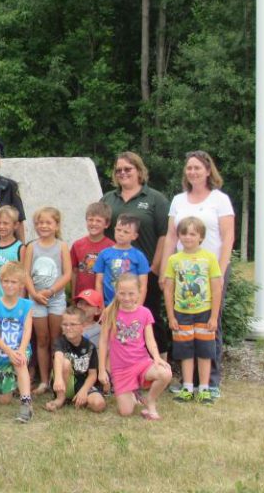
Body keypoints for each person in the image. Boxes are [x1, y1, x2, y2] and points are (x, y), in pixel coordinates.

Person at [160, 150, 234, 398]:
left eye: (198, 168)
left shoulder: (219, 199)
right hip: (182, 272)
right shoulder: (178, 200)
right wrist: (164, 270)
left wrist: (220, 273)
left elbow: (228, 237)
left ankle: (210, 382)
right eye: (189, 168)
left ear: (208, 171)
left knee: (210, 326)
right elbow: (171, 236)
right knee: (183, 327)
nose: (193, 172)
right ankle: (187, 382)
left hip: (210, 271)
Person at [100, 151, 170, 356]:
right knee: (120, 319)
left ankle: (160, 363)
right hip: (116, 275)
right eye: (118, 170)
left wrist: (155, 267)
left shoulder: (155, 199)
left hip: (145, 272)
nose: (123, 173)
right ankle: (124, 362)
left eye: (128, 169)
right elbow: (101, 232)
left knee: (149, 317)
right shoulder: (108, 199)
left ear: (139, 171)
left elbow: (165, 235)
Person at [164, 217, 223, 405]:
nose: (188, 237)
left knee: (205, 351)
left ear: (201, 237)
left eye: (192, 234)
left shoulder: (209, 258)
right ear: (179, 236)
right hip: (181, 313)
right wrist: (171, 315)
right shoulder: (174, 259)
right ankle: (188, 387)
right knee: (185, 351)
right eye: (184, 233)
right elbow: (168, 289)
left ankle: (204, 389)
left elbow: (216, 288)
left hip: (204, 312)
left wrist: (214, 316)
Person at [97, 274, 171, 419]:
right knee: (125, 412)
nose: (126, 298)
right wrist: (101, 370)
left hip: (141, 363)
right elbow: (103, 342)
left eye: (131, 293)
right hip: (121, 369)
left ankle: (150, 401)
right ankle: (132, 393)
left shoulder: (145, 313)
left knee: (165, 373)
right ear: (116, 292)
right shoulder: (109, 312)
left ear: (139, 293)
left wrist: (156, 358)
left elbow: (150, 340)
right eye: (122, 293)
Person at [24, 206, 72, 396]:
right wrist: (34, 293)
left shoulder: (61, 246)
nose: (44, 226)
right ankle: (44, 380)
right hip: (36, 300)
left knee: (56, 339)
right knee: (41, 339)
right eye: (40, 222)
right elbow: (25, 273)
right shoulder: (31, 247)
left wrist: (51, 291)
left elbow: (67, 274)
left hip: (56, 299)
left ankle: (57, 378)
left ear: (56, 225)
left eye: (48, 222)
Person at [0, 262, 34, 423]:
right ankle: (15, 383)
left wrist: (21, 350)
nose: (9, 285)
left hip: (20, 349)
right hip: (2, 353)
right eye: (6, 281)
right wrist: (9, 352)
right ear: (0, 282)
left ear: (21, 285)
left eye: (13, 282)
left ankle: (26, 403)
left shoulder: (27, 305)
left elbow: (28, 330)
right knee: (4, 400)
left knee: (20, 362)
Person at [45, 307, 105, 413]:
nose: (68, 328)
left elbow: (92, 374)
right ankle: (60, 399)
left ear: (82, 327)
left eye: (73, 324)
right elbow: (58, 357)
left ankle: (78, 398)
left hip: (82, 383)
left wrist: (84, 391)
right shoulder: (59, 342)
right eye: (65, 324)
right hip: (64, 382)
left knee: (98, 404)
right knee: (65, 362)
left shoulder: (90, 347)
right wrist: (58, 378)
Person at [93, 214, 150, 306]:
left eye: (126, 232)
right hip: (109, 305)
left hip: (131, 305)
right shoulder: (104, 253)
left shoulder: (139, 256)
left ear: (134, 236)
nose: (121, 234)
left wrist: (138, 308)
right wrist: (101, 306)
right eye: (118, 230)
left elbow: (143, 286)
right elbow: (99, 283)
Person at [70, 202, 114, 295]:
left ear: (106, 224)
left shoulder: (112, 247)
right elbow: (74, 272)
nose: (93, 223)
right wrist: (73, 296)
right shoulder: (77, 245)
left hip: (103, 299)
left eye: (98, 221)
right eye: (90, 220)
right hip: (81, 297)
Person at [0, 205, 24, 304]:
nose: (1, 226)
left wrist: (20, 303)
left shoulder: (19, 248)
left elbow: (24, 278)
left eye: (6, 223)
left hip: (13, 302)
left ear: (15, 225)